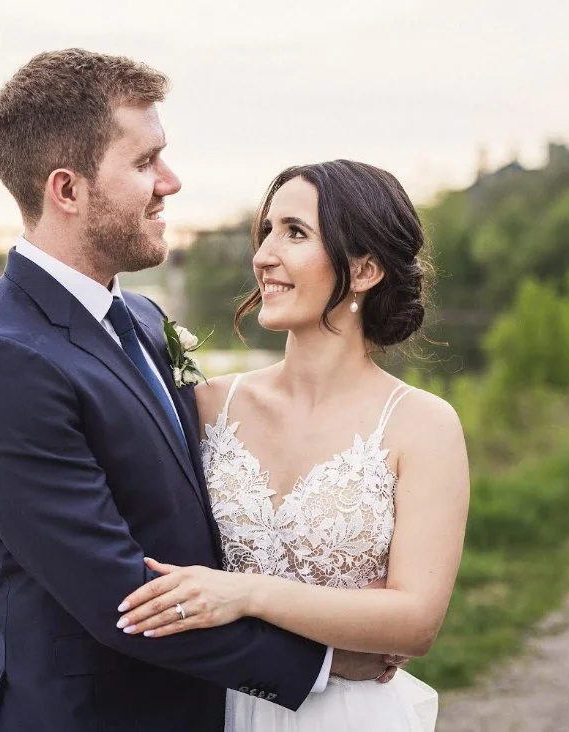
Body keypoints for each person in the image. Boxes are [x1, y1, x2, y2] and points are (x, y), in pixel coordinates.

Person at [0, 51, 393, 732]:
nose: (169, 182)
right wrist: (323, 662)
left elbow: (185, 481)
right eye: (144, 163)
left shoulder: (140, 321)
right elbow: (118, 599)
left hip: (204, 705)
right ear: (67, 190)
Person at [115, 160, 471, 731]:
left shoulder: (421, 425)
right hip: (212, 705)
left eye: (295, 233)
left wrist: (247, 594)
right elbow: (123, 506)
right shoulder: (209, 407)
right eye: (267, 231)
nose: (263, 255)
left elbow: (415, 622)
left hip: (353, 714)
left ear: (365, 269)